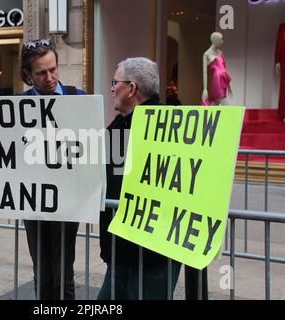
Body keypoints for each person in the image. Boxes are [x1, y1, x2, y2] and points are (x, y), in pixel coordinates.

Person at [99, 57, 182, 300]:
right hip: (122, 249)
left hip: (152, 253)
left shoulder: (166, 124)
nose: (112, 88)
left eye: (115, 82)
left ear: (132, 88)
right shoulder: (121, 122)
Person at [18, 38, 86, 300]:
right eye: (42, 72)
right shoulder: (16, 105)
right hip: (32, 199)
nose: (50, 77)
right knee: (42, 270)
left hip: (67, 198)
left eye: (53, 69)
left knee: (63, 270)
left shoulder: (76, 97)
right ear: (27, 75)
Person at [202, 32, 232, 106]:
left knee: (215, 103)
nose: (222, 41)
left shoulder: (220, 53)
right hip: (217, 80)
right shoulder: (206, 54)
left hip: (223, 80)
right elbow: (204, 72)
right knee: (224, 103)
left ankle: (212, 116)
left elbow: (224, 70)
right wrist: (205, 89)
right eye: (221, 40)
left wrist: (229, 86)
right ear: (215, 41)